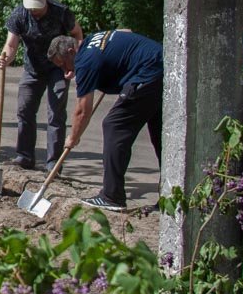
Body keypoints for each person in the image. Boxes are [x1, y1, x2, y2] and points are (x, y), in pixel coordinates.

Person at [47, 30, 163, 211]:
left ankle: (112, 196)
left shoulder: (85, 61)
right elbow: (126, 31)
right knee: (161, 135)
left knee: (114, 126)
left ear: (71, 51)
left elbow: (82, 111)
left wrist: (73, 137)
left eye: (64, 65)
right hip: (163, 66)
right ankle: (169, 199)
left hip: (148, 73)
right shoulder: (91, 41)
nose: (65, 71)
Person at [0, 0, 83, 172]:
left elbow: (77, 33)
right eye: (31, 7)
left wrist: (73, 61)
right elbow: (11, 45)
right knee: (25, 110)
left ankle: (53, 164)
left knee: (56, 115)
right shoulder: (19, 14)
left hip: (57, 70)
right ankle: (25, 156)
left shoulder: (61, 13)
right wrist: (5, 59)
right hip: (32, 68)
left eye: (37, 6)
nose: (33, 10)